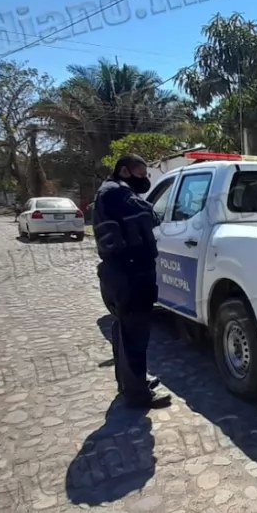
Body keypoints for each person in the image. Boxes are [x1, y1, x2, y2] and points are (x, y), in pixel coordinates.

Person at [93, 154, 170, 409]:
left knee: (126, 331)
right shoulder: (115, 192)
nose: (145, 179)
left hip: (125, 271)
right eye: (141, 173)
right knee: (134, 333)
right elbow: (148, 215)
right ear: (125, 171)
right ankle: (137, 395)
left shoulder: (112, 191)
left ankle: (130, 383)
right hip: (129, 272)